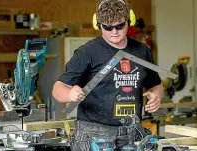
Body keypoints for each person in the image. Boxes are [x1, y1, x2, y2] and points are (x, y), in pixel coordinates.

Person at [52, 0, 163, 150]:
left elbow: (156, 84)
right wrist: (70, 94)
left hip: (131, 134)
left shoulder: (142, 51)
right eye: (107, 27)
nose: (114, 32)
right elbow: (58, 89)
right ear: (98, 24)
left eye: (119, 26)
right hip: (94, 135)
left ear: (129, 21)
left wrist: (157, 96)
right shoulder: (87, 52)